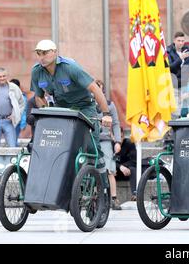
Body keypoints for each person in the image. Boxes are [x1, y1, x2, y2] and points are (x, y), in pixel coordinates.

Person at [30, 40, 112, 185]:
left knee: (92, 147)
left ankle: (103, 188)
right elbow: (38, 96)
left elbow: (94, 88)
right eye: (38, 53)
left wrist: (106, 114)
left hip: (84, 107)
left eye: (45, 53)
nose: (41, 56)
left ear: (54, 52)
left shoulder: (70, 67)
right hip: (62, 109)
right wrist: (45, 112)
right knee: (58, 145)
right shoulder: (36, 71)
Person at [95, 80, 122, 210]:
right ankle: (93, 197)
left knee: (110, 170)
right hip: (91, 139)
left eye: (99, 90)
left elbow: (116, 124)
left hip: (105, 140)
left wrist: (117, 141)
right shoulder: (87, 105)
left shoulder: (110, 105)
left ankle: (114, 198)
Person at [0, 67, 25, 147]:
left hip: (9, 122)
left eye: (4, 76)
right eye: (0, 76)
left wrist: (15, 115)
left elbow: (21, 103)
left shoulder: (14, 87)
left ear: (7, 76)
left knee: (12, 146)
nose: (2, 78)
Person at [115, 136, 137, 201]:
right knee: (108, 171)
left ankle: (135, 194)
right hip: (114, 172)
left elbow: (134, 161)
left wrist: (123, 166)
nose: (119, 139)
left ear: (123, 136)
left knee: (133, 169)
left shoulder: (129, 143)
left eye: (121, 136)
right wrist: (120, 167)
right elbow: (107, 162)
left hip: (126, 172)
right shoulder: (109, 144)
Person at [9, 78, 28, 145]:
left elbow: (24, 112)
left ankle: (14, 153)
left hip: (17, 122)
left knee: (13, 141)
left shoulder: (23, 98)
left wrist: (23, 124)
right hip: (6, 121)